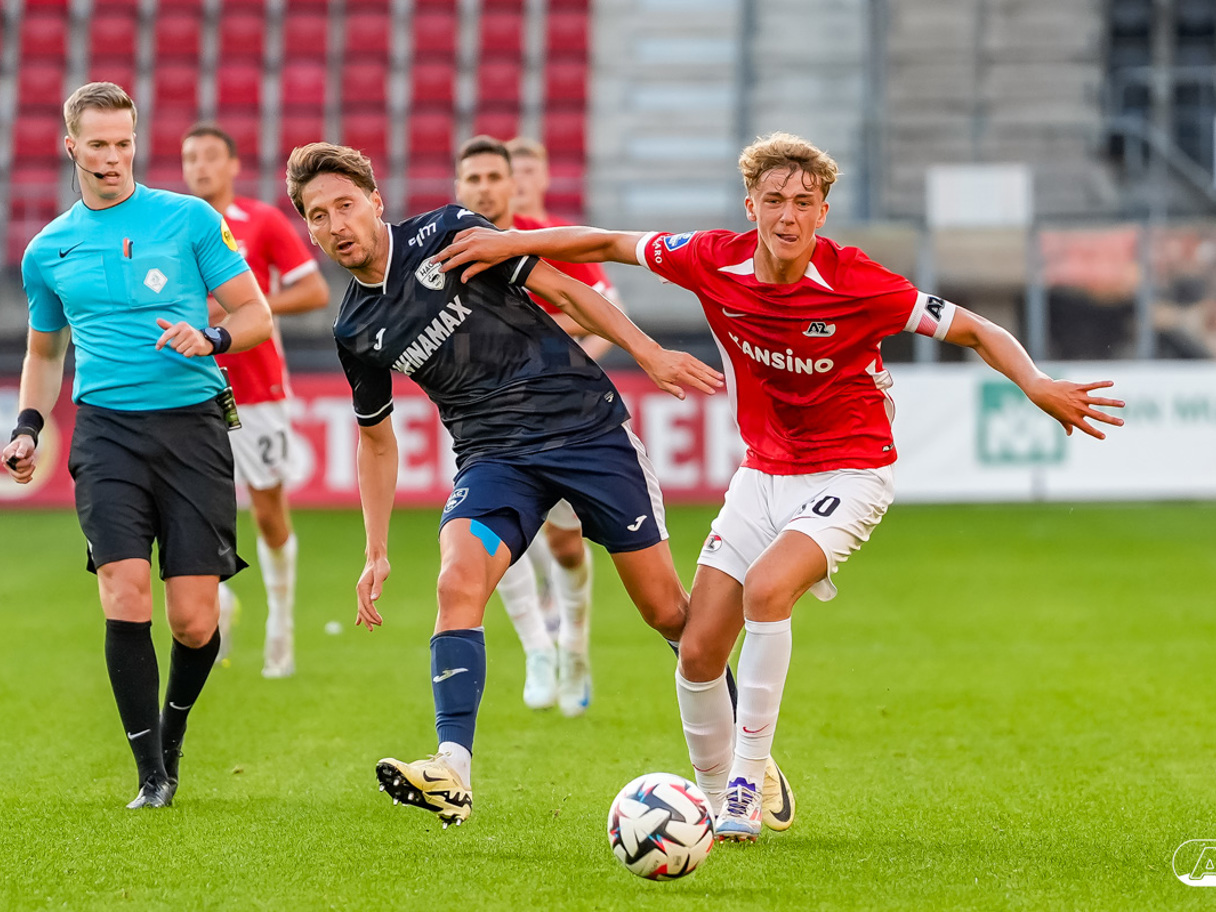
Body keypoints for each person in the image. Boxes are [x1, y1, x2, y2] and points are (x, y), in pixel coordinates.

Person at [435, 130, 1127, 840]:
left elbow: (976, 330)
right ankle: (710, 808)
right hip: (763, 473)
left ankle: (744, 785)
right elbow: (608, 243)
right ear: (751, 206)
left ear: (823, 212)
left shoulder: (860, 283)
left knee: (767, 590)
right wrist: (512, 243)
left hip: (852, 469)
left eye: (803, 202)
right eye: (774, 201)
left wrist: (1036, 382)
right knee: (697, 651)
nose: (787, 215)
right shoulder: (713, 258)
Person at [284, 142, 722, 828]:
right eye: (319, 215)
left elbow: (568, 291)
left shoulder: (447, 233)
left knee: (667, 611)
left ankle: (744, 758)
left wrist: (650, 353)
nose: (337, 224)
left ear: (374, 201)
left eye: (346, 204)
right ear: (309, 229)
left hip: (585, 431)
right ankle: (452, 769)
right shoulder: (355, 328)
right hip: (495, 459)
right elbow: (376, 439)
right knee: (456, 581)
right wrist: (375, 550)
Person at [1, 83, 273, 809]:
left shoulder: (189, 219)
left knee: (195, 620)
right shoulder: (47, 250)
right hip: (106, 433)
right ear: (71, 147)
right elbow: (44, 353)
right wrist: (27, 425)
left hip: (192, 428)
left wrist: (212, 336)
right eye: (99, 144)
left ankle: (172, 735)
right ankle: (151, 774)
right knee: (123, 591)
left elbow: (256, 315)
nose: (114, 156)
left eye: (124, 142)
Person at [453, 136, 615, 716]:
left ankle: (574, 646)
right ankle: (537, 650)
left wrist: (542, 347)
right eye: (474, 179)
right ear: (459, 187)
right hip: (486, 424)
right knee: (493, 537)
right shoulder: (443, 256)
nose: (486, 188)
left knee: (567, 546)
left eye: (495, 177)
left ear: (514, 184)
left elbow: (600, 312)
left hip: (562, 416)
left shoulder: (548, 240)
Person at [182, 122, 330, 678]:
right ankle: (216, 609)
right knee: (192, 510)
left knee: (267, 509)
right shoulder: (170, 224)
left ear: (232, 165)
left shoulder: (261, 220)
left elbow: (314, 290)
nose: (200, 167)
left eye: (210, 156)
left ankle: (280, 626)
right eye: (190, 157)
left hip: (256, 389)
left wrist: (250, 306)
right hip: (187, 386)